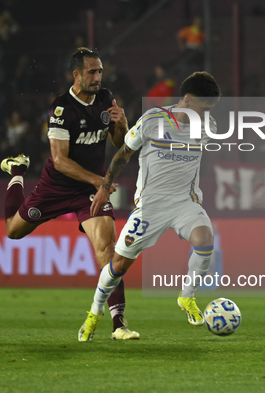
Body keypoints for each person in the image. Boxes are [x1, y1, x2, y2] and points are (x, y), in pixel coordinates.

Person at [0, 48, 139, 340]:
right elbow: (60, 161)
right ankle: (16, 172)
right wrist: (101, 181)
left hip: (89, 191)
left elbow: (116, 140)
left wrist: (122, 124)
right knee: (13, 231)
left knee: (107, 249)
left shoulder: (105, 98)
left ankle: (119, 324)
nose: (98, 77)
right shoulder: (61, 109)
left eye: (100, 71)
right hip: (56, 187)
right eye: (92, 72)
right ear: (76, 74)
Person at [78, 71, 221, 341]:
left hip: (184, 202)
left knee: (205, 241)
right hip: (150, 207)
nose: (207, 115)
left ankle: (186, 298)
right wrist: (105, 187)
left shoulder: (208, 125)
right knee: (118, 265)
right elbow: (123, 154)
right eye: (204, 108)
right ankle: (94, 312)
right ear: (188, 101)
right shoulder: (153, 120)